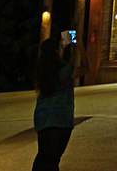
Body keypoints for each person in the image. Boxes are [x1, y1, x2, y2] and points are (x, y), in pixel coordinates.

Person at [32, 36, 90, 171]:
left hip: (42, 119)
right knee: (53, 160)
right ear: (56, 51)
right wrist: (80, 46)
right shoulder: (65, 71)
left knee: (43, 156)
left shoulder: (41, 72)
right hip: (60, 118)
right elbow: (86, 68)